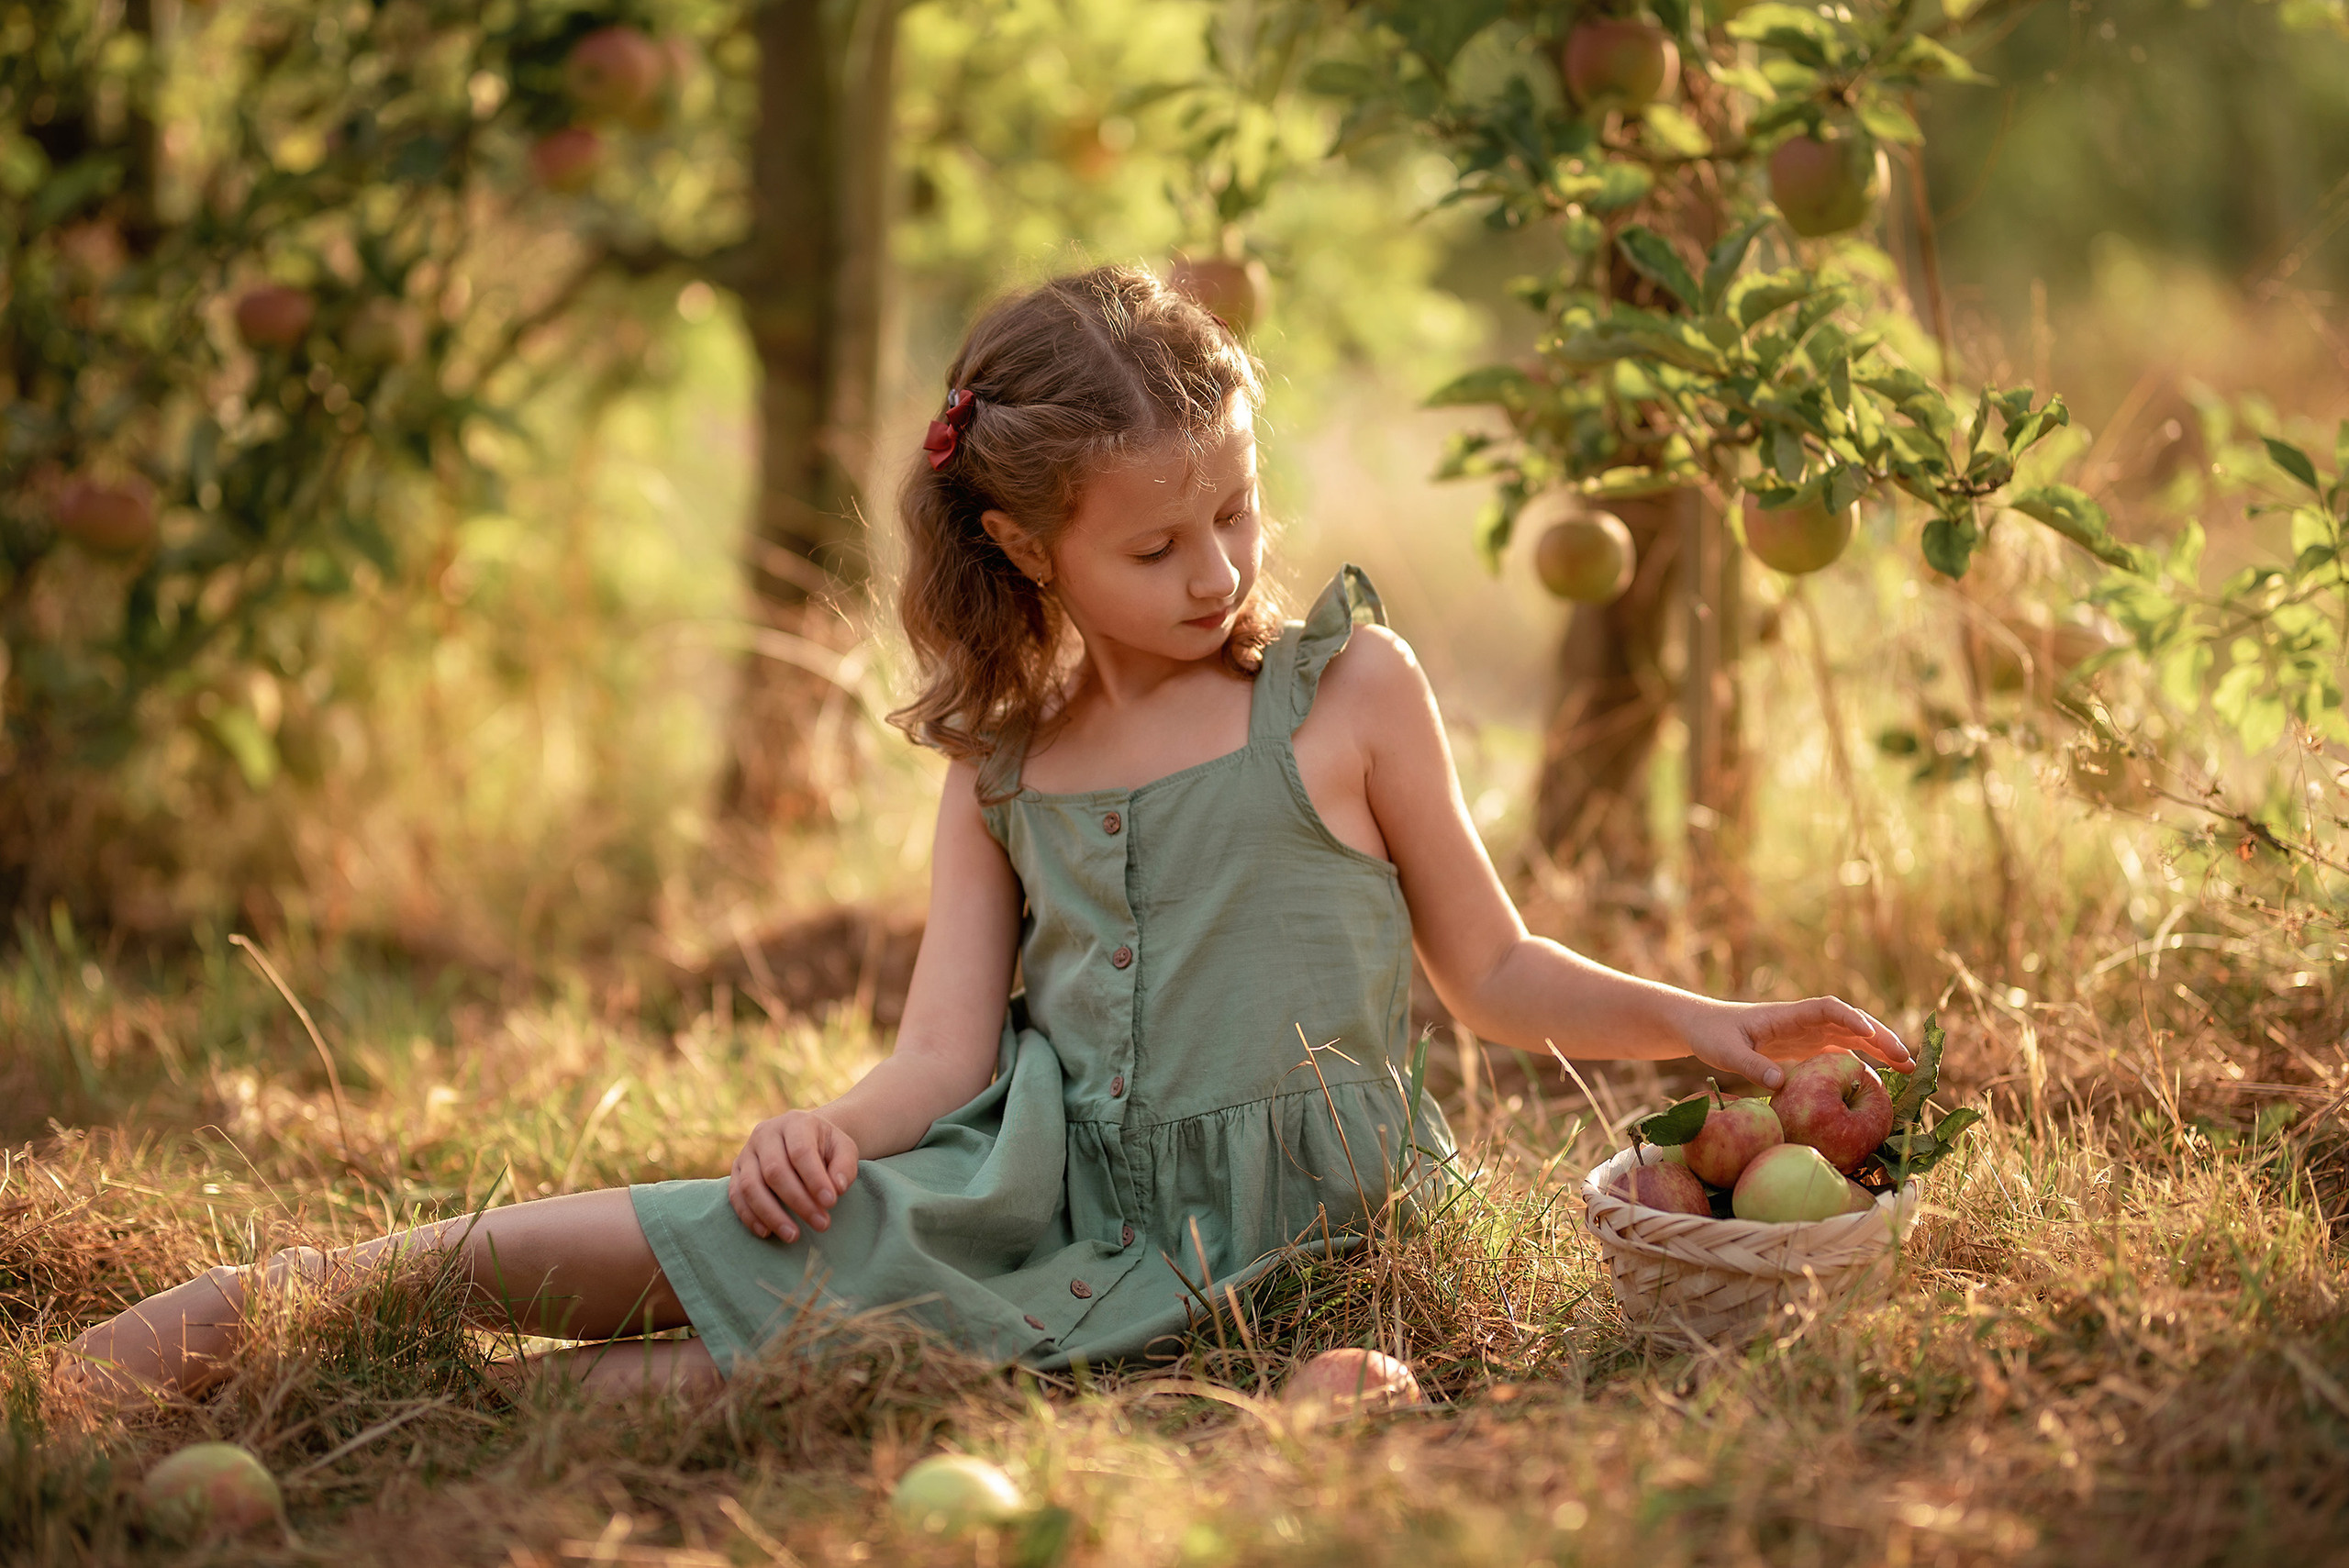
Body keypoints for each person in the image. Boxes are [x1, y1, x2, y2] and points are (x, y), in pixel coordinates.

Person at [61, 264, 1910, 1407]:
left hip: (1274, 1247)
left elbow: (1491, 972)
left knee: (663, 1395)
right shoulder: (1004, 762)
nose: (1214, 574)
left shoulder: (1347, 696)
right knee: (704, 1238)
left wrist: (1701, 1027)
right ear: (1025, 547)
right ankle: (279, 1301)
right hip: (1020, 1189)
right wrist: (821, 1130)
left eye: (1235, 518)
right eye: (1154, 545)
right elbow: (940, 1054)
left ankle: (417, 1403)